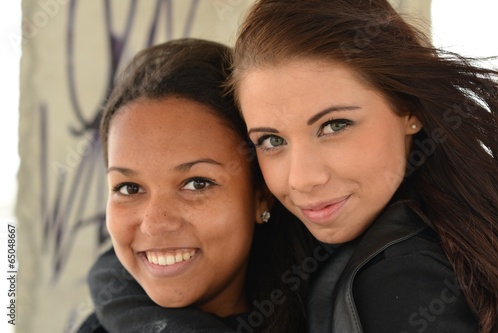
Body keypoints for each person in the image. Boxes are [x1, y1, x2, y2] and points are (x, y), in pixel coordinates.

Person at [228, 0, 498, 332]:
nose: (302, 179)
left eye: (334, 126)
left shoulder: (401, 281)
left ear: (409, 109)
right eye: (272, 140)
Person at [76, 38, 325, 333]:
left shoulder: (344, 311)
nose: (155, 224)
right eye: (129, 188)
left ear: (262, 194)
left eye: (196, 183)